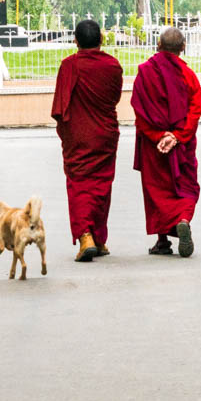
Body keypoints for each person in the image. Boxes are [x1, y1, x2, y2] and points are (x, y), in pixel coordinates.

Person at [51, 19, 123, 263]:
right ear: (101, 40)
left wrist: (65, 131)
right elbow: (114, 98)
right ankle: (99, 239)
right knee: (102, 185)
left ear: (75, 41)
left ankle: (85, 237)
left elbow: (60, 107)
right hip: (105, 133)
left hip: (79, 134)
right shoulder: (113, 65)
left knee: (80, 183)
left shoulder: (69, 65)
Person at [131, 26, 201, 257]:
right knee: (184, 186)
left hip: (154, 145)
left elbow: (140, 112)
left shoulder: (145, 72)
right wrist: (177, 136)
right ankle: (182, 219)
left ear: (158, 45)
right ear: (183, 48)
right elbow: (195, 111)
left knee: (157, 191)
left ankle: (162, 241)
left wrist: (158, 136)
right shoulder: (189, 76)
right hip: (181, 143)